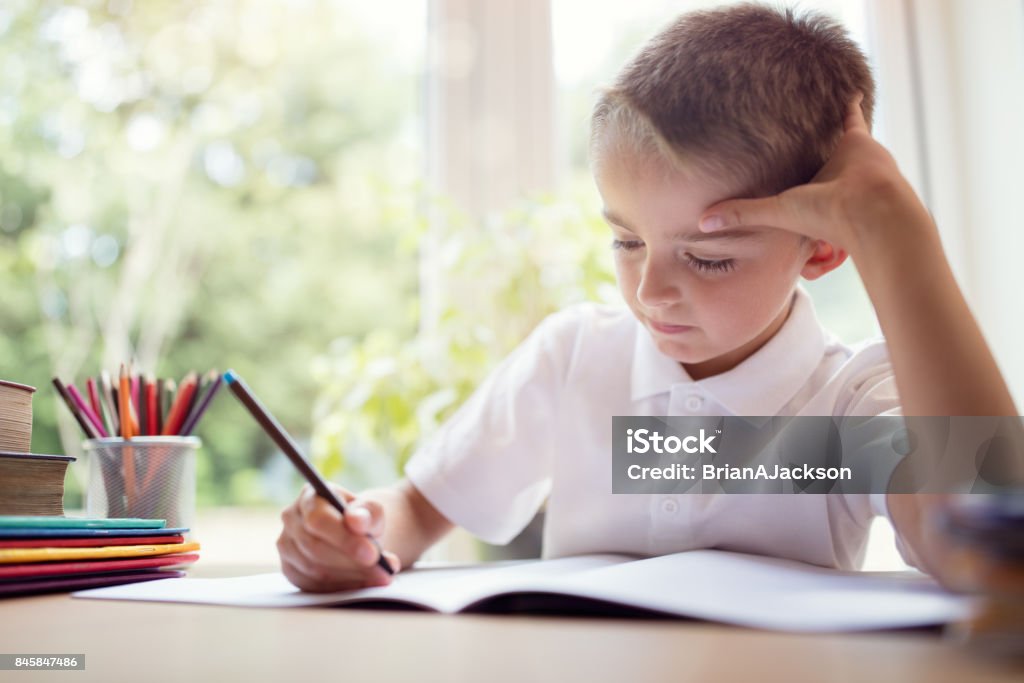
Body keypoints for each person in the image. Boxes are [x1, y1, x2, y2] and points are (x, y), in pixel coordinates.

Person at [276, 3, 1019, 592]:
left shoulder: (849, 405)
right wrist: (355, 532)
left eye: (708, 257)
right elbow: (417, 510)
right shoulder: (574, 359)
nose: (650, 288)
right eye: (627, 241)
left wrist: (898, 234)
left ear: (822, 247)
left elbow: (994, 545)